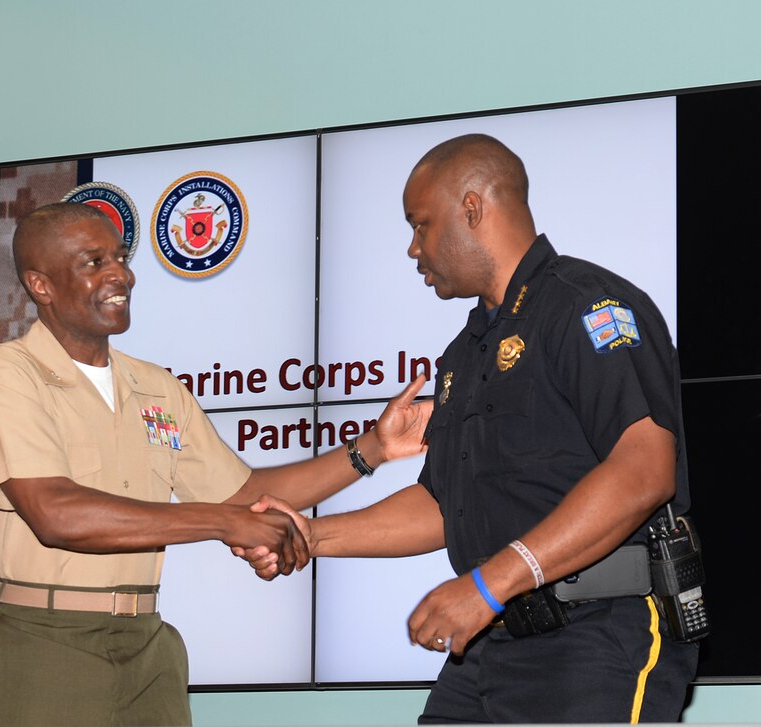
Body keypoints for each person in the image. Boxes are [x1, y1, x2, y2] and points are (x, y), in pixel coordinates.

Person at [246, 133, 699, 723]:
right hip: (491, 641)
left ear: (472, 208)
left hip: (595, 636)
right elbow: (442, 506)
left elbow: (644, 471)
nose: (413, 248)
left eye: (421, 225)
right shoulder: (465, 352)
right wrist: (312, 535)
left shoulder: (589, 307)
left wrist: (487, 585)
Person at [0, 202, 432, 727]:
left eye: (120, 257)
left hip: (149, 650)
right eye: (94, 262)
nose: (122, 274)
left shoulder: (156, 387)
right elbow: (56, 514)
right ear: (40, 285)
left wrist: (372, 450)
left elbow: (245, 494)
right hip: (48, 645)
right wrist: (223, 523)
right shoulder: (5, 375)